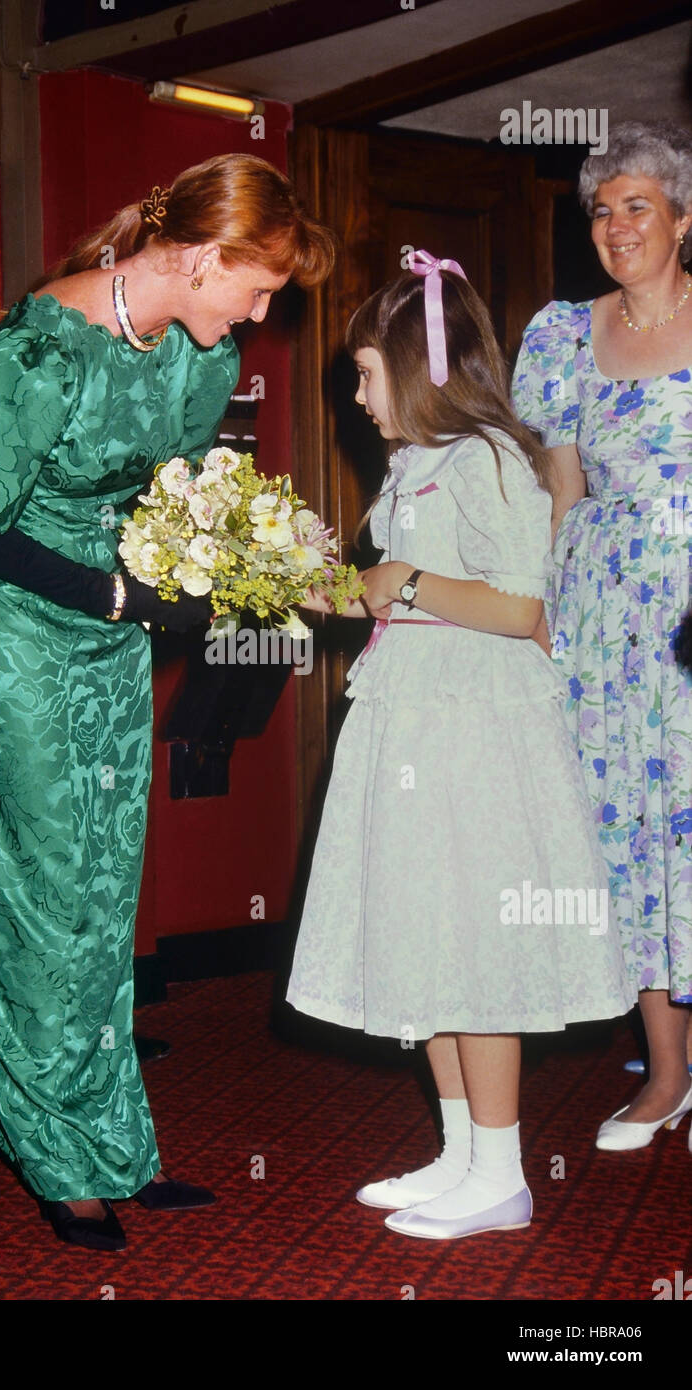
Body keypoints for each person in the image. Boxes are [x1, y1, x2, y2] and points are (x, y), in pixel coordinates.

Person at [0, 154, 336, 1251]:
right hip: (7, 616)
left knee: (103, 873)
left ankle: (103, 1132)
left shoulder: (204, 360)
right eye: (255, 288)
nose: (260, 314)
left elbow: (181, 494)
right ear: (200, 256)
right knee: (43, 867)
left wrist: (250, 563)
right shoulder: (40, 351)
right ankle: (56, 1149)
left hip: (113, 622)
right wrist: (115, 590)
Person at [290, 255, 635, 1241]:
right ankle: (460, 1154)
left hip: (477, 729)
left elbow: (521, 605)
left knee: (476, 950)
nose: (356, 396)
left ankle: (505, 1171)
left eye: (364, 373)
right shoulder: (410, 464)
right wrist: (323, 583)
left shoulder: (488, 454)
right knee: (429, 937)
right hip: (413, 715)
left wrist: (398, 583)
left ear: (421, 366)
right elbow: (393, 588)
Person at [512, 120, 692, 1152]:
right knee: (630, 833)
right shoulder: (561, 334)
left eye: (638, 206)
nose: (617, 226)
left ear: (681, 219)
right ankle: (666, 1072)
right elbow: (562, 489)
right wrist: (539, 611)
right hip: (606, 616)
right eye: (601, 209)